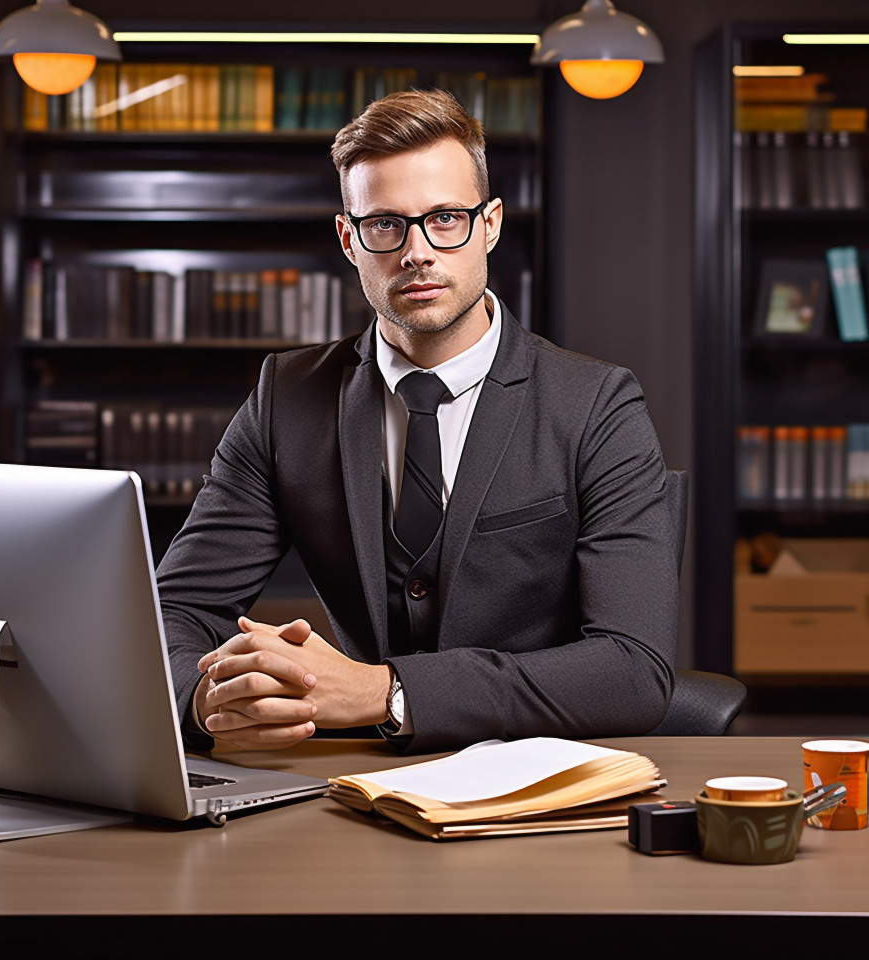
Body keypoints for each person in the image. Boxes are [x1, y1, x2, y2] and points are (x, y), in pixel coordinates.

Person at [157, 88, 678, 755]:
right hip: (353, 785)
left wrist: (385, 691)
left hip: (539, 791)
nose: (417, 251)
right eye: (386, 225)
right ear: (349, 239)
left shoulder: (597, 405)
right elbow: (175, 612)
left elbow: (634, 671)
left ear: (489, 224)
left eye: (446, 219)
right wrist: (207, 702)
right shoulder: (285, 399)